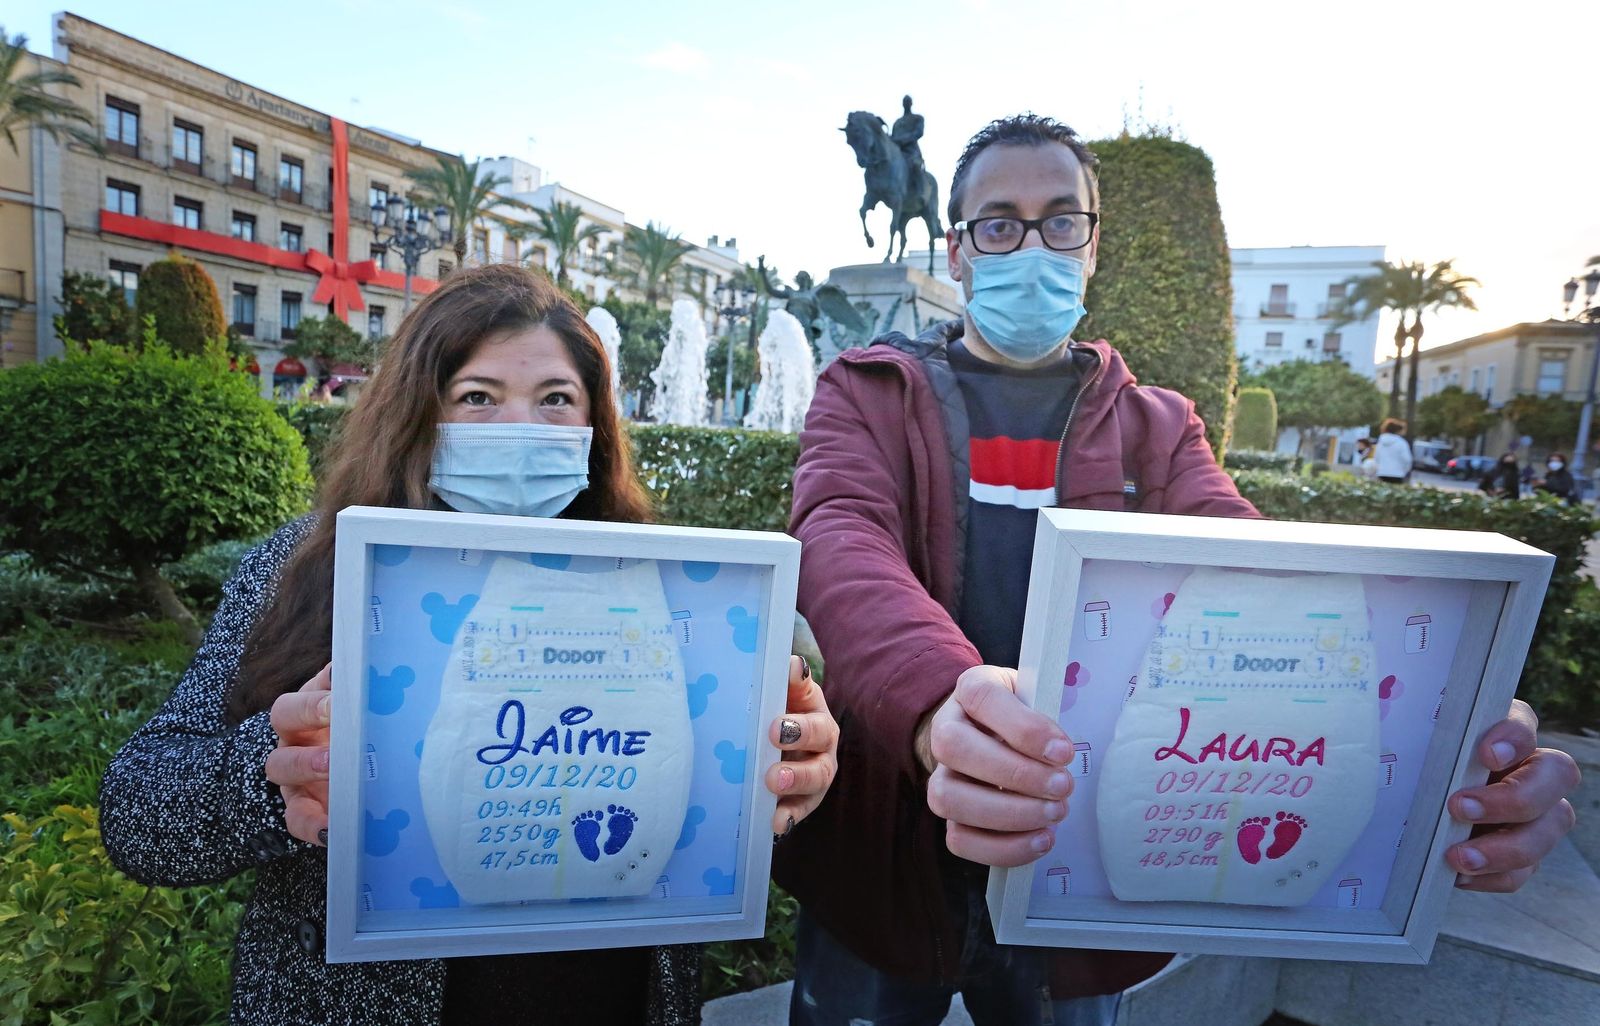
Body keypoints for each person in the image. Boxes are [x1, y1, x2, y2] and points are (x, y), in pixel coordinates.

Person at [774, 114, 1581, 1026]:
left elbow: (1257, 574)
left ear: (1092, 246)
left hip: (1080, 872)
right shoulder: (867, 391)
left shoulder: (1158, 427)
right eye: (998, 225)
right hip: (882, 853)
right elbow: (841, 534)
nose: (1032, 247)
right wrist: (936, 705)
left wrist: (1443, 722)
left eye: (1060, 221)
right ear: (957, 252)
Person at [98, 265, 840, 1025]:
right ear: (419, 411)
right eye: (478, 397)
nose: (521, 428)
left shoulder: (679, 590)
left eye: (556, 399)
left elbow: (722, 789)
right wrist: (272, 772)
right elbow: (138, 819)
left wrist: (786, 768)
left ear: (595, 425)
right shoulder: (309, 566)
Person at [1374, 417, 1412, 483]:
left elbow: (1376, 457)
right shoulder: (1401, 442)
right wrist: (1404, 470)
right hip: (1398, 474)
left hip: (1382, 473)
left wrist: (1379, 468)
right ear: (1397, 430)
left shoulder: (1380, 442)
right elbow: (1407, 459)